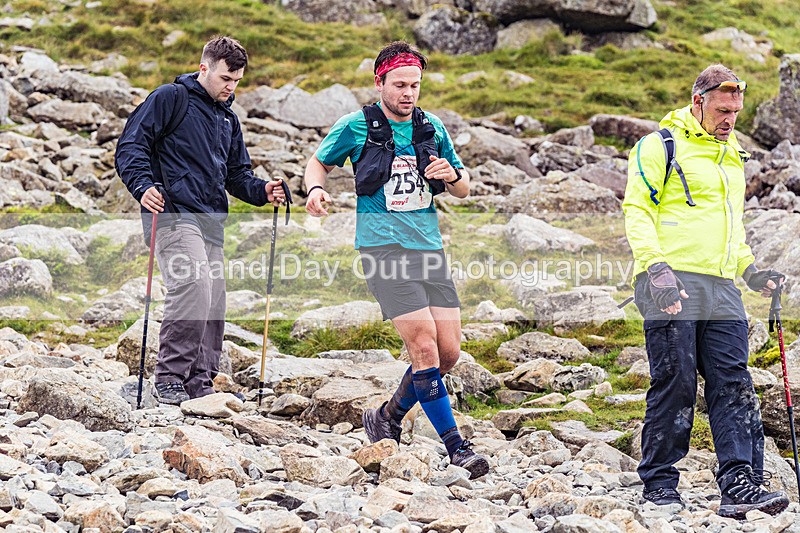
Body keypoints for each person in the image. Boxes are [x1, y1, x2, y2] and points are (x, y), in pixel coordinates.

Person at [303, 41, 489, 479]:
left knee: (448, 354)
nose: (408, 93)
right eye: (400, 84)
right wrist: (314, 190)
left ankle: (387, 416)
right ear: (380, 82)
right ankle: (456, 447)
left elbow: (464, 188)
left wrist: (453, 175)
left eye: (415, 85)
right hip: (382, 248)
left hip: (429, 248)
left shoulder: (432, 126)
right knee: (423, 346)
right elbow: (317, 163)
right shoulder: (357, 125)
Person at [623, 64, 789, 519]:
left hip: (722, 285)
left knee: (733, 383)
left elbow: (732, 228)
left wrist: (752, 272)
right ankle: (659, 482)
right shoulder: (659, 146)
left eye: (736, 111)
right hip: (668, 279)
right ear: (698, 101)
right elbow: (637, 211)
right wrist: (656, 270)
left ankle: (741, 483)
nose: (729, 119)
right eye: (722, 109)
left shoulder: (730, 155)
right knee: (675, 381)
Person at [116, 36, 286, 405]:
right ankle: (170, 378)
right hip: (173, 213)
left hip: (211, 220)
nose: (231, 87)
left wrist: (263, 191)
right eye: (226, 78)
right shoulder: (169, 99)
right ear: (203, 67)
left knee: (214, 301)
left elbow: (237, 175)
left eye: (237, 81)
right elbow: (131, 145)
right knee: (192, 286)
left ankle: (200, 381)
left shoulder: (228, 120)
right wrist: (143, 186)